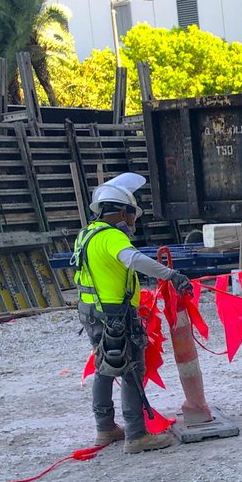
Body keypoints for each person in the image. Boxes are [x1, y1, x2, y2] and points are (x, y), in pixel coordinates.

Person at [71, 172, 194, 454]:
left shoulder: (85, 234)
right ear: (121, 211)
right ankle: (137, 435)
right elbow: (134, 260)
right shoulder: (112, 236)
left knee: (105, 366)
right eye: (131, 213)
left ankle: (105, 428)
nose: (133, 220)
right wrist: (171, 275)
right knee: (131, 370)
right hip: (116, 314)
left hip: (92, 313)